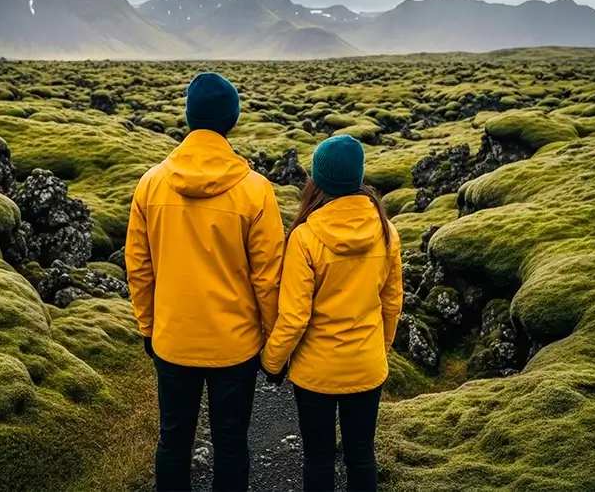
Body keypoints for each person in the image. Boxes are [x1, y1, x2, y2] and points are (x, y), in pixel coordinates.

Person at [125, 71, 286, 492]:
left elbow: (139, 267)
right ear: (231, 120)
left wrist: (148, 325)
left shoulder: (150, 183)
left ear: (188, 117)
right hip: (235, 346)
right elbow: (268, 277)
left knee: (172, 440)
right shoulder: (256, 191)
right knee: (231, 443)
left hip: (173, 339)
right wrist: (273, 339)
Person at [261, 135, 404, 492]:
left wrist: (272, 362)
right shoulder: (387, 232)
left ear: (317, 181)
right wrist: (379, 350)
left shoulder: (305, 237)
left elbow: (294, 316)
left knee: (318, 459)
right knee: (361, 455)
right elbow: (392, 303)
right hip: (367, 365)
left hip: (316, 373)